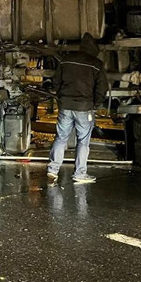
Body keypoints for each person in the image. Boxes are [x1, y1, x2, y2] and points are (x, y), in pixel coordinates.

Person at [47, 33, 108, 184]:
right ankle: (80, 173)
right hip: (84, 108)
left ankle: (53, 170)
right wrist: (95, 105)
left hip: (65, 106)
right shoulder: (96, 64)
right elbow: (102, 89)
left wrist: (61, 97)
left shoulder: (66, 59)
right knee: (83, 141)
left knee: (61, 138)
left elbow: (56, 81)